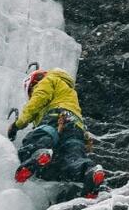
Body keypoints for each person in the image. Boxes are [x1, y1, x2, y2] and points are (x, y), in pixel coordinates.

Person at [7, 68, 106, 198]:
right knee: (72, 158)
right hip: (76, 127)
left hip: (55, 118)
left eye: (31, 90)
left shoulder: (48, 80)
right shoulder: (70, 92)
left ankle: (39, 153)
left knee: (39, 139)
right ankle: (89, 172)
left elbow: (38, 99)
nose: (32, 93)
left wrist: (17, 125)